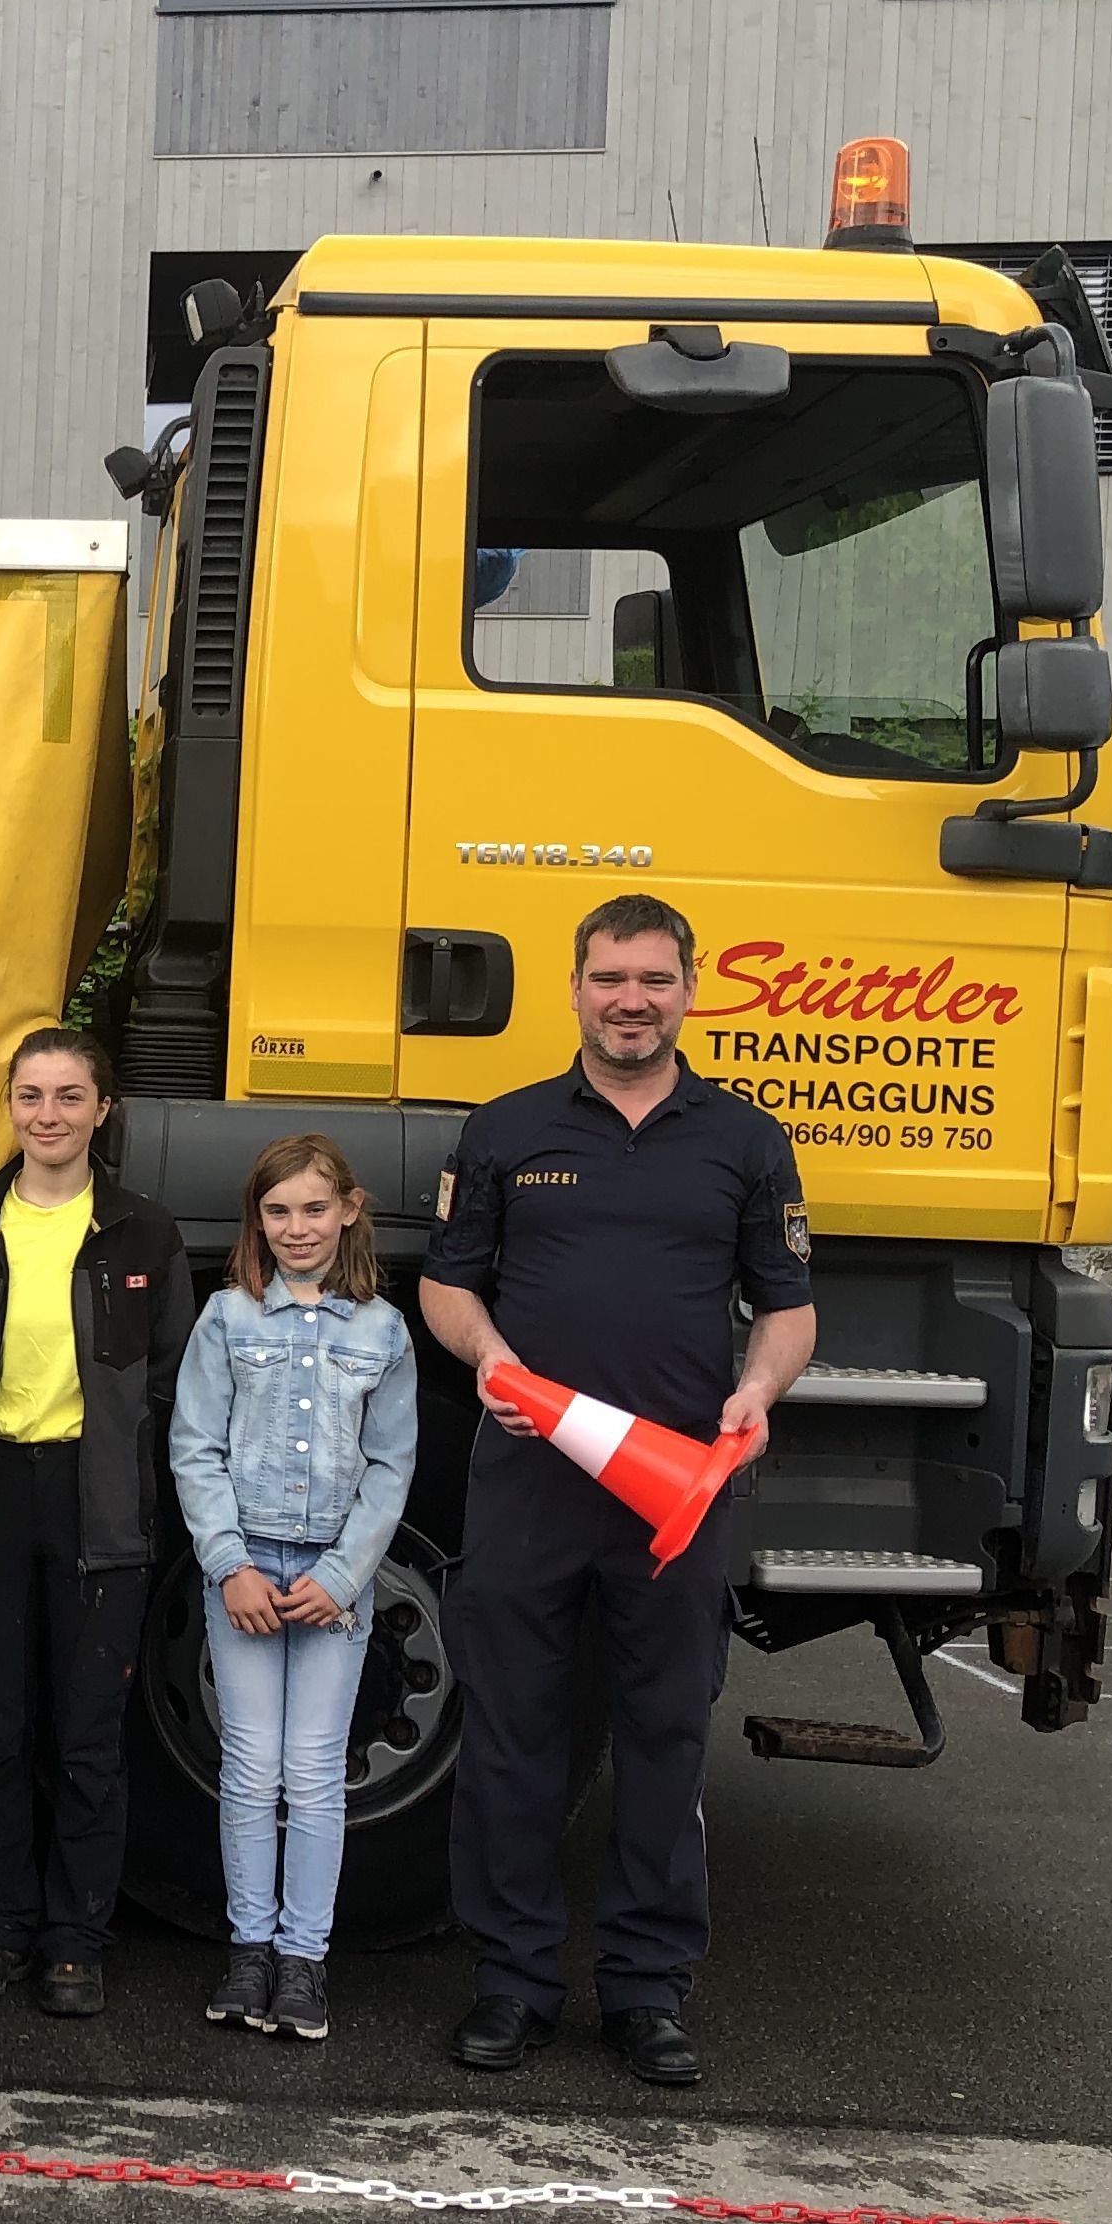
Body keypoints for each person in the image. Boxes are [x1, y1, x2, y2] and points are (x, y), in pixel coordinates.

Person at [418, 892, 817, 2089]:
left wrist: (757, 1392)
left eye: (652, 979)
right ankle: (512, 1983)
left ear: (689, 988)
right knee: (512, 1737)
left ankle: (647, 1993)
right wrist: (489, 1358)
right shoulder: (505, 1129)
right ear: (576, 988)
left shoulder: (745, 1141)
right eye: (609, 979)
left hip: (676, 1494)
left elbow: (788, 1308)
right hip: (529, 1487)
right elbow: (448, 1284)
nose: (630, 1001)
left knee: (663, 1738)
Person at [0, 1028, 193, 2020]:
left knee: (88, 1732)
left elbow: (173, 1380)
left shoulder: (144, 1232)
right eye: (31, 1095)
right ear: (10, 1105)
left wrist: (137, 1478)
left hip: (97, 1497)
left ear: (102, 1109)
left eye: (71, 1096)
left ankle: (76, 1939)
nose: (49, 1114)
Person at [169, 1133, 415, 2044]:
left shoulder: (382, 1331)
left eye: (314, 1208)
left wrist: (343, 1576)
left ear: (349, 1210)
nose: (297, 1227)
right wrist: (228, 1564)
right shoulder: (228, 1318)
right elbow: (195, 1445)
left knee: (313, 1772)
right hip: (245, 1572)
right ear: (258, 1219)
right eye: (278, 1211)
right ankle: (249, 1950)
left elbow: (391, 1466)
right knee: (248, 1766)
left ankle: (303, 1959)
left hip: (330, 1580)